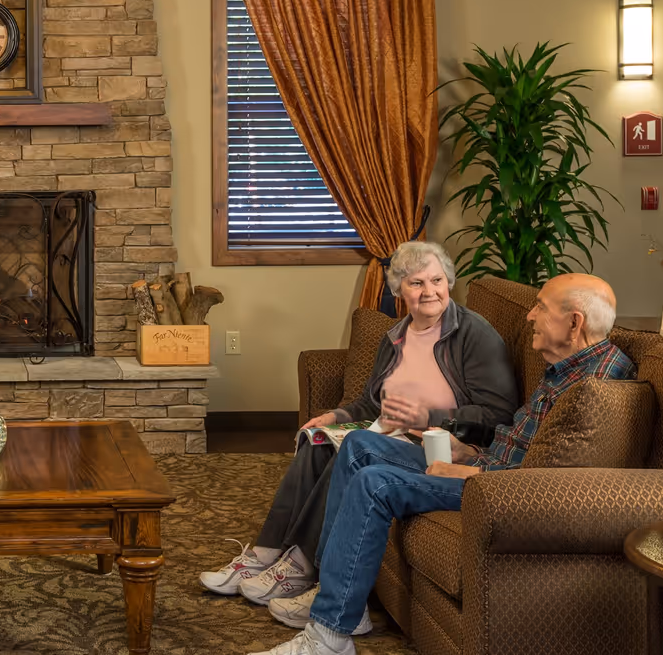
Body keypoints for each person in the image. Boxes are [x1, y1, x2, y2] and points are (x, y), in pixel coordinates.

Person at [244, 272, 634, 655]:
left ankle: (328, 644)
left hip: (495, 491)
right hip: (486, 465)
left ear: (574, 323)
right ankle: (340, 600)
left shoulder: (594, 387)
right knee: (359, 445)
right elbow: (527, 442)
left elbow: (548, 483)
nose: (530, 316)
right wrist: (470, 451)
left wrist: (473, 470)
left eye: (541, 307)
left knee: (375, 483)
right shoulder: (569, 366)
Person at [200, 240, 520, 606]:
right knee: (316, 439)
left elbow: (498, 413)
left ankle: (304, 564)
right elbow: (371, 400)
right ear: (399, 290)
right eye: (416, 283)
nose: (429, 291)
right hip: (386, 432)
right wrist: (336, 416)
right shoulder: (395, 336)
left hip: (435, 445)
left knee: (354, 447)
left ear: (449, 281)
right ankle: (264, 555)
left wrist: (428, 417)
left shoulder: (473, 334)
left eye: (437, 280)